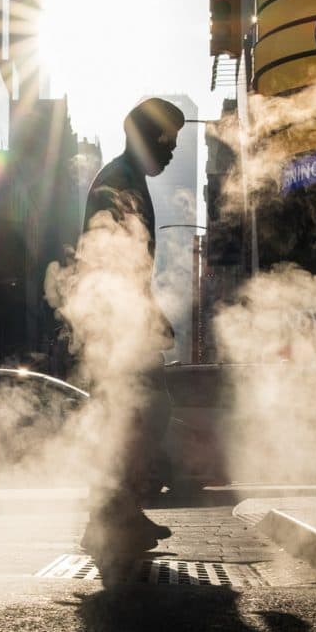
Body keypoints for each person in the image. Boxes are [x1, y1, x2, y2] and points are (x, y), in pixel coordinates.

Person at [79, 97, 184, 554]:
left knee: (137, 414)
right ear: (148, 138)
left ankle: (114, 514)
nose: (172, 152)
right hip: (116, 324)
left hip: (121, 320)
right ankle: (111, 515)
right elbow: (110, 259)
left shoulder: (128, 178)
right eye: (168, 141)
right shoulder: (119, 181)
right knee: (139, 413)